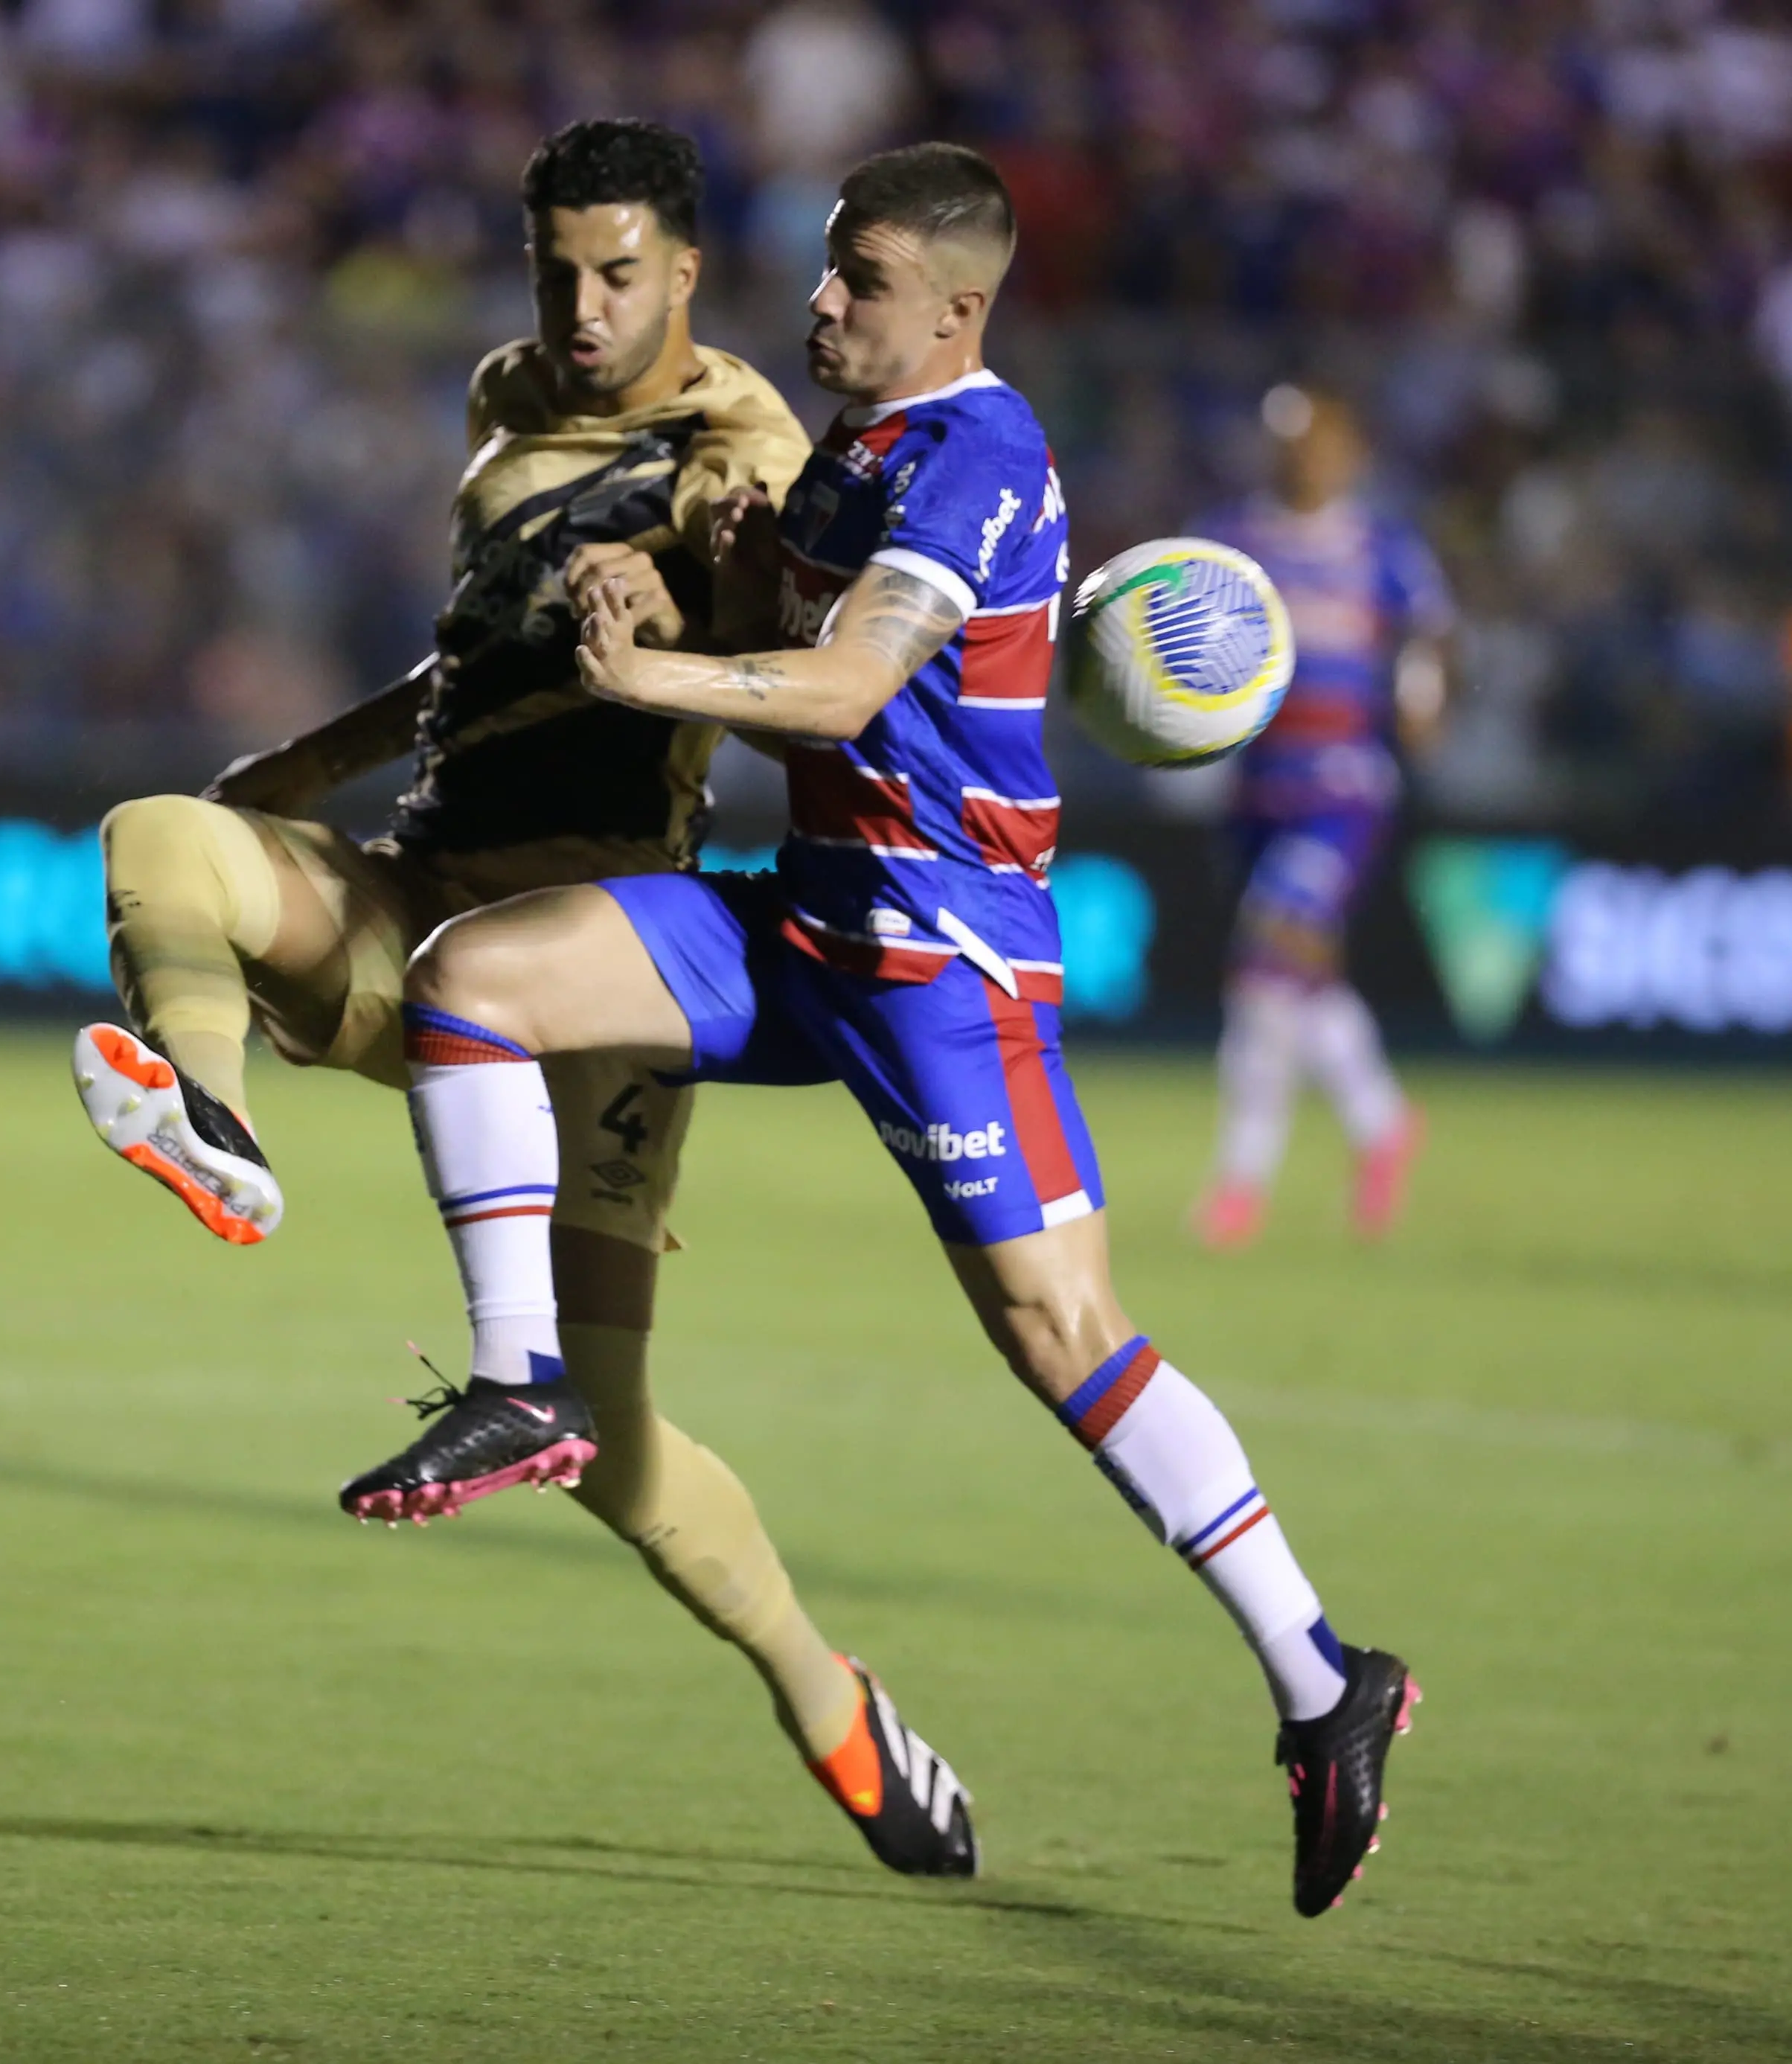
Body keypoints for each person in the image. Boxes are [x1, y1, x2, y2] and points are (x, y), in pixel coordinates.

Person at [347, 144, 1415, 1917]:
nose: (822, 299)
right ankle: (523, 1383)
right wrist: (664, 599)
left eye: (861, 280)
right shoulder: (857, 451)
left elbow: (845, 687)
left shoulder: (976, 459)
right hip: (809, 919)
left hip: (940, 965)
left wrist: (650, 674)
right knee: (475, 978)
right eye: (830, 267)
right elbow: (780, 637)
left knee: (1060, 1335)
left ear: (958, 309)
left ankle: (1322, 1679)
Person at [69, 120, 980, 1878]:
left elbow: (795, 636)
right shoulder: (507, 401)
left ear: (687, 271)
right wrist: (309, 764)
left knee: (612, 1443)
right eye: (556, 271)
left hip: (587, 967)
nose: (582, 307)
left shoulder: (746, 445)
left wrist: (692, 583)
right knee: (161, 835)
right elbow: (476, 651)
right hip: (423, 899)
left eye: (618, 274)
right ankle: (213, 1118)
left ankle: (829, 1700)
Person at [1190, 386, 1455, 1250]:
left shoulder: (1381, 548)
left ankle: (1240, 1181)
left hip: (1341, 790)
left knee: (1264, 962)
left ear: (1350, 451)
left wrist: (1420, 697)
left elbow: (1427, 638)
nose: (1306, 458)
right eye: (1292, 443)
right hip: (1256, 789)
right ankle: (1381, 1120)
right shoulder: (1233, 541)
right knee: (1299, 979)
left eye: (1320, 442)